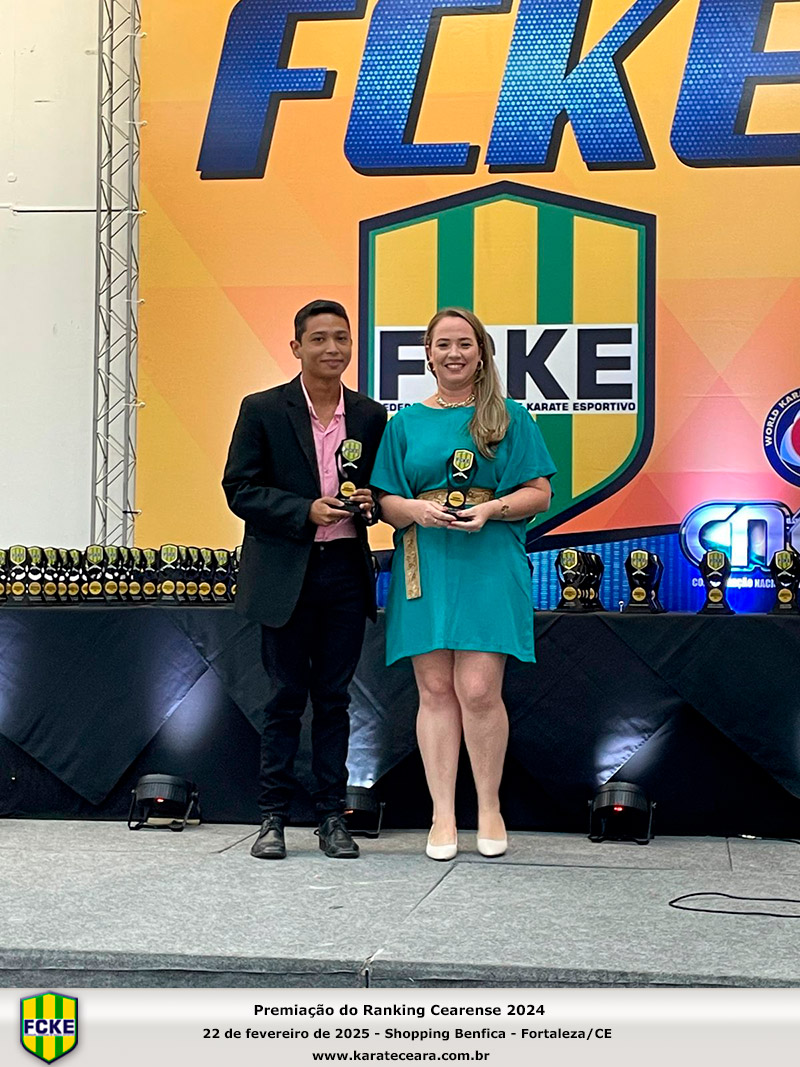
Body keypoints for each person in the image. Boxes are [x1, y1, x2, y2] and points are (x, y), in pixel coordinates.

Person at [370, 307, 555, 861]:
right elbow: (385, 500)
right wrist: (414, 511)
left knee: (478, 690)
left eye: (464, 344)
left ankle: (490, 807)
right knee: (434, 689)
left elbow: (540, 493)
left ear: (481, 353)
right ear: (428, 355)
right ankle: (443, 815)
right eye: (443, 344)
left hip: (489, 559)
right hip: (424, 561)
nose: (454, 353)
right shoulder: (403, 423)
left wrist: (492, 509)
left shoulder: (510, 416)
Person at [223, 300, 387, 860]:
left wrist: (370, 504)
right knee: (284, 698)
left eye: (341, 338)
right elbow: (240, 489)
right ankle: (271, 818)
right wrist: (304, 511)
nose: (332, 348)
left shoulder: (369, 415)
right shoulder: (263, 409)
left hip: (344, 572)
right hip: (284, 575)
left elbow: (379, 490)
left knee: (335, 700)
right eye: (319, 339)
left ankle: (331, 817)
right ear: (296, 347)